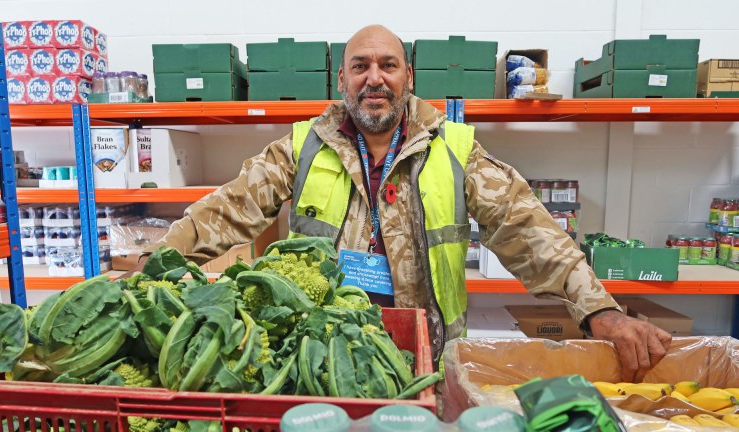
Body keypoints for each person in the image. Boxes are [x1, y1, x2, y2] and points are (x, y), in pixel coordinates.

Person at [130, 24, 671, 381]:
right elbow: (226, 210)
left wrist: (597, 309)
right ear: (341, 79)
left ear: (408, 76)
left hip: (429, 362)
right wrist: (152, 268)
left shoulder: (455, 150)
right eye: (360, 66)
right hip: (320, 359)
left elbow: (528, 228)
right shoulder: (300, 148)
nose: (374, 78)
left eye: (388, 65)